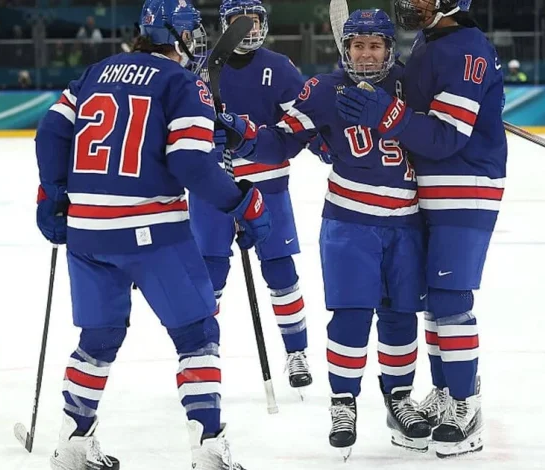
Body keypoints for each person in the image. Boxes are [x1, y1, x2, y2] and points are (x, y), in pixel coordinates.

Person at [34, 1, 270, 468]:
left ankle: (73, 443)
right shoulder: (181, 83)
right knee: (197, 332)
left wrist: (54, 194)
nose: (197, 42)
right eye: (192, 34)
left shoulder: (97, 71)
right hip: (150, 230)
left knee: (98, 336)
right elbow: (189, 164)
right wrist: (240, 201)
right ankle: (208, 449)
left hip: (87, 231)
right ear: (174, 36)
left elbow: (50, 131)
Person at [215, 9, 431, 458]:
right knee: (351, 315)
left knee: (400, 315)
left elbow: (440, 134)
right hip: (350, 224)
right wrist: (244, 135)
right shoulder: (325, 90)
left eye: (375, 46)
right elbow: (282, 138)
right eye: (357, 46)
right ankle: (343, 402)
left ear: (390, 49)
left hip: (406, 224)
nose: (366, 54)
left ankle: (399, 398)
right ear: (345, 48)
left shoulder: (413, 85)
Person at [336, 0, 507, 458]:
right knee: (433, 296)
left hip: (465, 183)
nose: (411, 2)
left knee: (451, 299)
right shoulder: (431, 39)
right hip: (430, 186)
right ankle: (448, 391)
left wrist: (388, 115)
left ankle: (466, 404)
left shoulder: (468, 48)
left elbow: (447, 137)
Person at [188, 0, 312, 391]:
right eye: (240, 21)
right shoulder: (198, 66)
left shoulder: (280, 67)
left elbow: (299, 126)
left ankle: (296, 353)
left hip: (268, 184)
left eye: (254, 20)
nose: (249, 28)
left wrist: (256, 142)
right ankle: (201, 355)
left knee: (280, 269)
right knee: (211, 272)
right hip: (212, 185)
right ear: (225, 24)